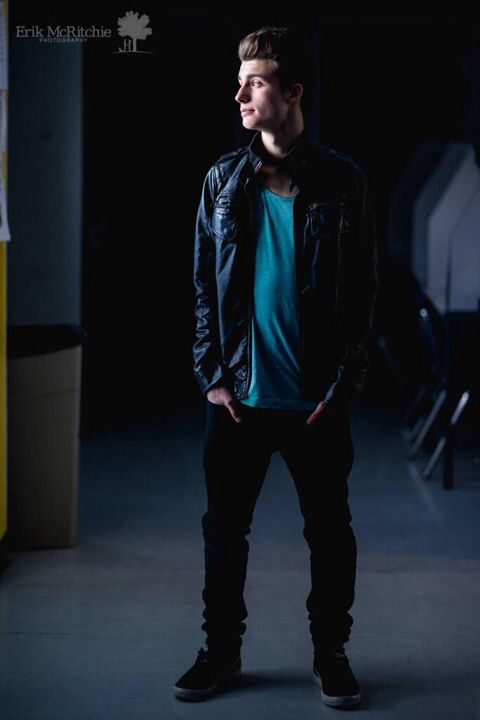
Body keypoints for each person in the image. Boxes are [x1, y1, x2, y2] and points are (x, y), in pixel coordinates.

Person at [174, 25, 379, 708]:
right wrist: (212, 376)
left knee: (330, 533)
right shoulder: (222, 182)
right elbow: (203, 287)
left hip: (315, 401)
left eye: (255, 83)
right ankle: (220, 651)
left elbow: (364, 292)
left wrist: (344, 385)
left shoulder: (343, 183)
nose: (240, 96)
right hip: (239, 399)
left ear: (292, 93)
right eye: (240, 82)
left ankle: (331, 654)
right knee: (224, 532)